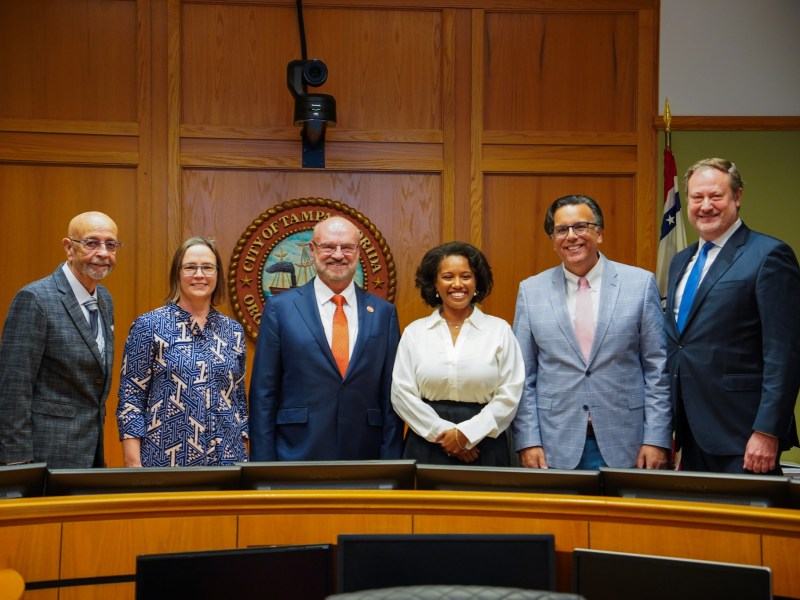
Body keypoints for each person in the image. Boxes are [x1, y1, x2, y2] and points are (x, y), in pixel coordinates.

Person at [512, 195, 672, 470]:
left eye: (581, 227)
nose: (571, 236)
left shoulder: (639, 284)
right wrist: (528, 441)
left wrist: (656, 438)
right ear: (553, 240)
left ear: (599, 233)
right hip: (554, 444)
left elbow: (657, 368)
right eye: (561, 230)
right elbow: (524, 376)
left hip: (629, 443)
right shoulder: (531, 291)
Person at [665, 158, 800, 475]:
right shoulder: (680, 261)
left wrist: (768, 430)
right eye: (697, 197)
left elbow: (784, 353)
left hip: (743, 433)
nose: (705, 206)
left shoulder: (768, 255)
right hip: (689, 432)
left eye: (716, 196)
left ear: (737, 197)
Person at [249, 216, 402, 461]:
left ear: (358, 252)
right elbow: (263, 393)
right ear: (312, 250)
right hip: (296, 452)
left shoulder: (384, 313)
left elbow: (390, 395)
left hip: (366, 454)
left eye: (347, 247)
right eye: (329, 247)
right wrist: (262, 466)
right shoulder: (280, 309)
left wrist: (392, 460)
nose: (338, 255)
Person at [0, 211, 120, 468]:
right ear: (69, 248)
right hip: (44, 456)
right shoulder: (35, 299)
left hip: (91, 453)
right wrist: (16, 463)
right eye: (91, 243)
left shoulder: (105, 299)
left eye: (110, 244)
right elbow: (13, 388)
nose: (103, 252)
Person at [117, 236, 248, 467]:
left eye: (207, 267)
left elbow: (239, 401)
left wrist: (244, 456)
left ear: (217, 274)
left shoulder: (233, 331)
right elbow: (131, 399)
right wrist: (133, 463)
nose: (199, 274)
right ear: (177, 273)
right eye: (190, 267)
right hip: (166, 460)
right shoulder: (149, 325)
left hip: (228, 460)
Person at [391, 242, 524, 465]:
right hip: (427, 442)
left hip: (485, 444)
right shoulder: (415, 332)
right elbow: (401, 394)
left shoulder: (499, 330)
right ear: (434, 282)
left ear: (476, 282)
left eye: (465, 276)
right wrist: (445, 435)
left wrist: (467, 435)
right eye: (447, 277)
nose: (457, 284)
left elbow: (511, 393)